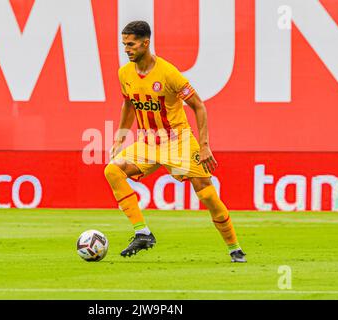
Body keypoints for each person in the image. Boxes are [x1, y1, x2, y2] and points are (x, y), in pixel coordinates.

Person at [104, 21, 246, 263]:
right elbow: (128, 103)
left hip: (178, 142)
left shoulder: (168, 73)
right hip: (148, 144)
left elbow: (199, 106)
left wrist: (203, 145)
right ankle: (143, 232)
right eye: (124, 44)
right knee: (112, 171)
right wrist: (120, 135)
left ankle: (234, 247)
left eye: (131, 44)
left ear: (145, 43)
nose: (126, 49)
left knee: (208, 196)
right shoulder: (124, 73)